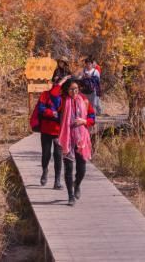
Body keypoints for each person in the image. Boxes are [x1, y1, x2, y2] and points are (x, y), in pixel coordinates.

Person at [58, 77, 95, 206]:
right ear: (67, 90)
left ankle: (77, 183)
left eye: (76, 89)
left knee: (82, 168)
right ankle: (70, 196)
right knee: (68, 169)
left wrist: (84, 121)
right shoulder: (62, 101)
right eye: (71, 89)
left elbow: (92, 117)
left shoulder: (84, 100)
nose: (74, 92)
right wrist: (61, 81)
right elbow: (52, 95)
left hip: (81, 138)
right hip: (67, 138)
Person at [35, 68, 67, 189]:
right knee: (46, 153)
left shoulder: (65, 97)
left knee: (58, 155)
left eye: (59, 81)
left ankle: (57, 180)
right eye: (55, 81)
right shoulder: (45, 94)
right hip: (46, 129)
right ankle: (44, 171)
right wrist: (51, 113)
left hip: (59, 130)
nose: (56, 83)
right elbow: (41, 109)